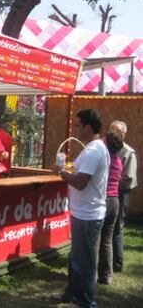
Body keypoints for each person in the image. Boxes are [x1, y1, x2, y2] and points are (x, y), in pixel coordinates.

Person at [54, 109, 110, 307]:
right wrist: (66, 169)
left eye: (77, 125)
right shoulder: (93, 149)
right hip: (84, 212)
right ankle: (72, 293)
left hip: (88, 214)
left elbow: (80, 182)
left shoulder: (94, 150)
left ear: (87, 127)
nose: (74, 129)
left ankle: (85, 301)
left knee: (83, 262)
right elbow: (79, 174)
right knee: (77, 258)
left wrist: (62, 172)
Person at [109, 121, 138, 272]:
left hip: (121, 193)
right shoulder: (107, 149)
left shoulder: (128, 152)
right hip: (109, 193)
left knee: (117, 227)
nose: (114, 133)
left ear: (124, 134)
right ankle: (108, 261)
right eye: (111, 129)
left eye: (117, 131)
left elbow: (128, 179)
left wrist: (112, 181)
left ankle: (117, 264)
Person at [97, 131, 123, 285]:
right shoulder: (118, 160)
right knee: (107, 240)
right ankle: (106, 275)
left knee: (96, 239)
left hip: (103, 200)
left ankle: (91, 274)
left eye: (103, 139)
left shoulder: (104, 159)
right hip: (114, 201)